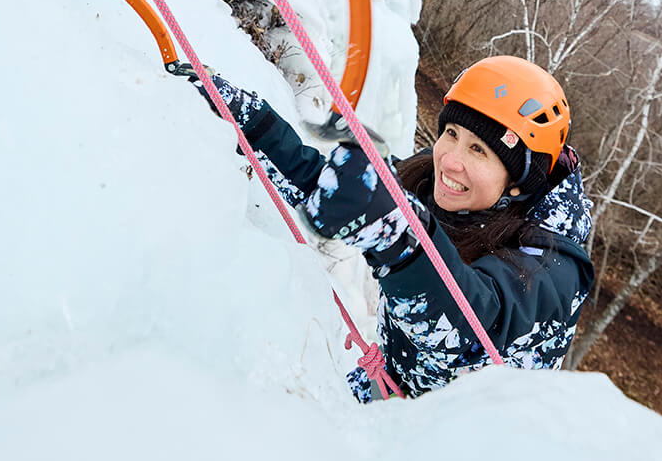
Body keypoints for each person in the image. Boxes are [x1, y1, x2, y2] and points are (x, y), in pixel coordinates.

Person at [194, 54, 595, 400]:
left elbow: (470, 327)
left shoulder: (555, 268)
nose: (451, 161)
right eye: (451, 134)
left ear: (520, 180)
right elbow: (341, 194)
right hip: (384, 398)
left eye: (479, 150)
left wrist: (395, 232)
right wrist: (254, 125)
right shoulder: (441, 186)